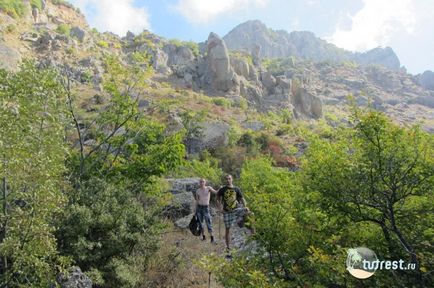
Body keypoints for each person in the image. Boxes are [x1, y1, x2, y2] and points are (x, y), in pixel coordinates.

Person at [217, 174, 248, 258]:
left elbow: (242, 198)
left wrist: (245, 206)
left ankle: (252, 235)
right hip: (227, 212)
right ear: (225, 180)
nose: (228, 180)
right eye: (226, 179)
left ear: (232, 179)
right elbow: (218, 198)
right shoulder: (222, 189)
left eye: (229, 178)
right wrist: (220, 209)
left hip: (236, 209)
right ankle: (228, 247)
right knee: (228, 229)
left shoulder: (236, 189)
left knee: (249, 214)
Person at [194, 178, 218, 244]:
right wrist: (195, 210)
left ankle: (212, 238)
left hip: (206, 208)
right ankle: (203, 237)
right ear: (199, 183)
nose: (202, 183)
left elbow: (216, 192)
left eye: (203, 182)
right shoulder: (197, 190)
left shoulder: (208, 188)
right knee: (200, 224)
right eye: (201, 182)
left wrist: (221, 189)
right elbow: (197, 200)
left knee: (208, 223)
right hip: (199, 208)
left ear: (205, 182)